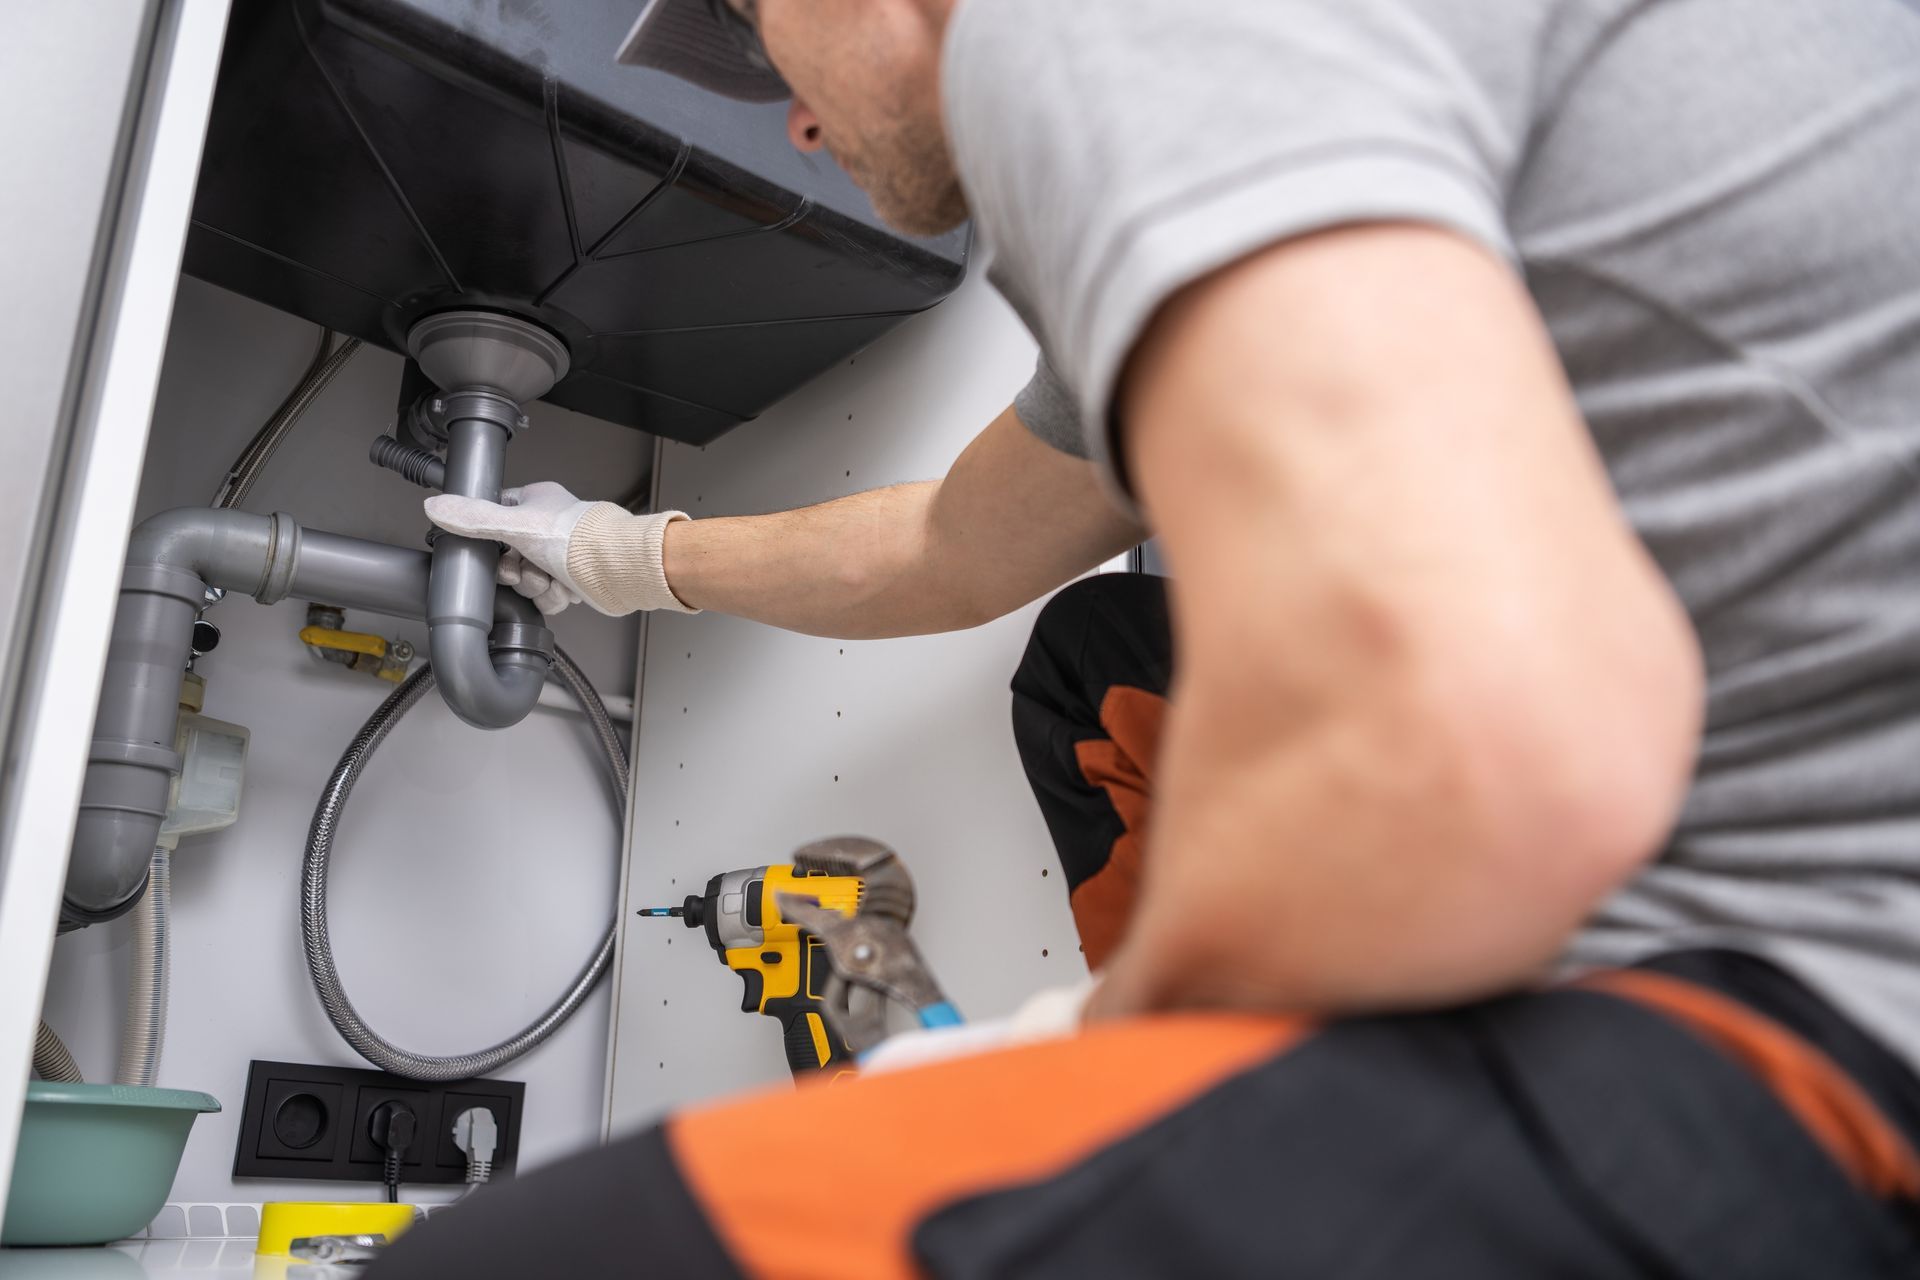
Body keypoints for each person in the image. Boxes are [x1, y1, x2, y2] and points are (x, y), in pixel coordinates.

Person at [378, 0, 1920, 1274]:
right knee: (1102, 656)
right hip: (1772, 939)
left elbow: (1479, 727)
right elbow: (950, 542)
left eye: (756, 29)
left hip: (1814, 1038)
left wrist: (1088, 1053)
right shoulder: (1271, 94)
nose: (786, 118)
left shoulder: (1090, 26)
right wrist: (620, 555)